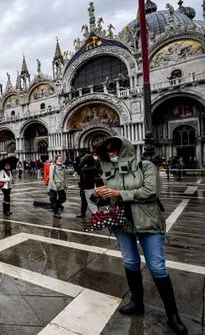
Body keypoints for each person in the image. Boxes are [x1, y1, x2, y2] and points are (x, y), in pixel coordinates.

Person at [92, 136, 187, 335]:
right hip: (121, 222)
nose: (111, 154)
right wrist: (99, 196)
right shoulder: (108, 170)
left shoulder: (146, 166)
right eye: (107, 152)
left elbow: (151, 191)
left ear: (124, 148)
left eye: (114, 150)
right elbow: (110, 198)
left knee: (157, 267)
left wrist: (119, 194)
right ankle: (137, 302)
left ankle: (173, 315)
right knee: (130, 262)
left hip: (147, 221)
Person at [76, 154, 100, 218]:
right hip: (94, 186)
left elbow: (81, 175)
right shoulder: (95, 166)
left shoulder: (85, 168)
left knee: (88, 201)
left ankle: (94, 215)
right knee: (93, 201)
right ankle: (92, 214)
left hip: (86, 187)